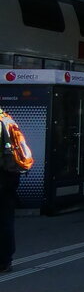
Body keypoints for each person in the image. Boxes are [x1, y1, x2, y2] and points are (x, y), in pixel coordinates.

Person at [1, 107, 35, 273]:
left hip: (2, 175)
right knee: (6, 219)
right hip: (10, 175)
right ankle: (5, 260)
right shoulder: (7, 118)